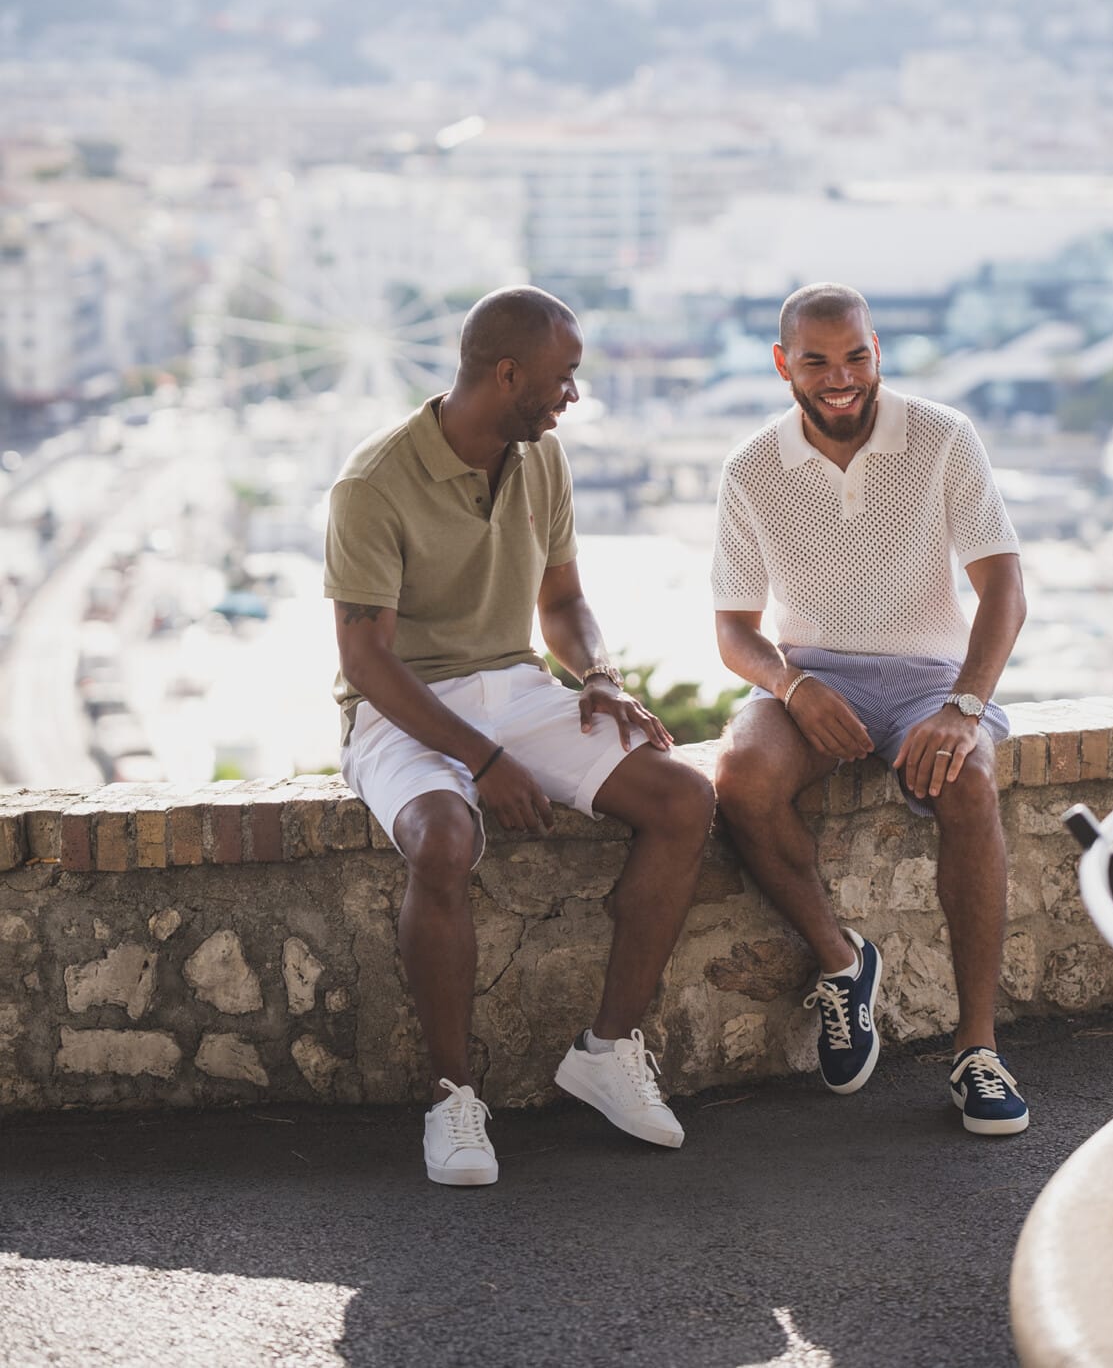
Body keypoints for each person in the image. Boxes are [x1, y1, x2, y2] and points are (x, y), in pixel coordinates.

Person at [325, 286, 715, 1186]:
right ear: (507, 374)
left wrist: (601, 676)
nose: (573, 394)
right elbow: (367, 660)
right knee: (442, 840)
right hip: (402, 704)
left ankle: (608, 1051)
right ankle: (452, 1098)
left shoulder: (542, 458)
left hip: (517, 686)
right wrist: (484, 760)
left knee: (683, 798)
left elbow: (564, 602)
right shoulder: (372, 483)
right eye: (563, 376)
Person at [710, 282, 1030, 1135]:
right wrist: (794, 686)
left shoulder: (942, 435)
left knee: (969, 783)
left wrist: (964, 705)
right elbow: (735, 632)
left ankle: (978, 1050)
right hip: (814, 676)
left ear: (877, 349)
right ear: (783, 364)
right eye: (816, 362)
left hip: (932, 679)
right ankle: (842, 962)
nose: (841, 377)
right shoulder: (751, 468)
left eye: (856, 356)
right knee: (740, 777)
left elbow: (1003, 589)